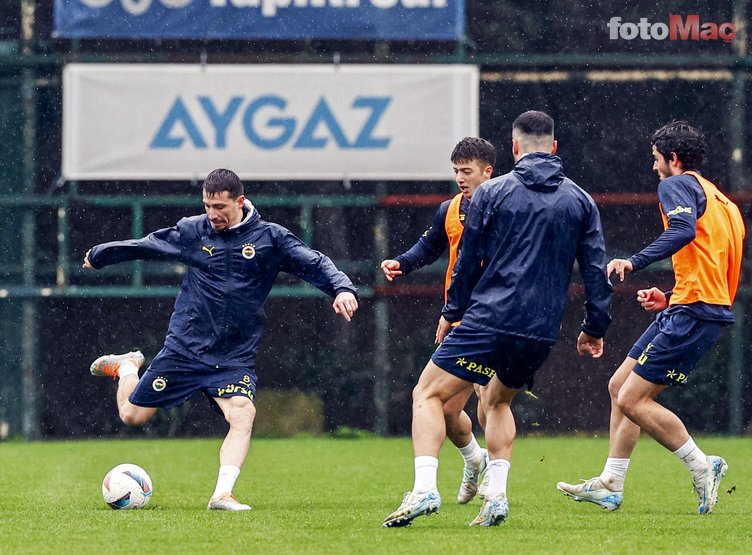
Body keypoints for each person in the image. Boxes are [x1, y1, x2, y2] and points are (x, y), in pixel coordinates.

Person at [383, 111, 613, 527]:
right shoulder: (581, 200)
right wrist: (594, 327)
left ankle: (423, 490)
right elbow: (595, 271)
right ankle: (498, 496)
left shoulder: (492, 194)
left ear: (512, 149)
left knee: (427, 394)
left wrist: (453, 313)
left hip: (490, 318)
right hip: (541, 329)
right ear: (554, 148)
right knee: (496, 401)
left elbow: (468, 264)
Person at [84, 168, 359, 511]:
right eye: (207, 206)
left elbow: (313, 262)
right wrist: (101, 254)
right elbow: (147, 246)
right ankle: (127, 368)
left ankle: (222, 494)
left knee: (243, 413)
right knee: (132, 417)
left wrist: (342, 287)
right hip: (186, 349)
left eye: (219, 207)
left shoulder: (270, 238)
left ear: (240, 202)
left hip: (232, 356)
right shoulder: (192, 230)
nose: (212, 214)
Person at [557, 121, 744, 515]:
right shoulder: (722, 200)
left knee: (632, 398)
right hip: (690, 307)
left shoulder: (675, 185)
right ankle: (611, 482)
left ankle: (702, 464)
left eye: (657, 159)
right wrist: (672, 296)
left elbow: (682, 230)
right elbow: (712, 264)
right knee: (618, 385)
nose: (654, 167)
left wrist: (635, 261)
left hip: (695, 314)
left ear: (673, 159)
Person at [380, 137, 496, 505]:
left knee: (490, 399)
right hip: (461, 318)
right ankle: (475, 460)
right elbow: (430, 246)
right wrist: (403, 262)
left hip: (498, 316)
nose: (460, 178)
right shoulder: (450, 209)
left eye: (467, 171)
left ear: (487, 171)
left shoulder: (508, 207)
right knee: (446, 409)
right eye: (456, 171)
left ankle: (496, 481)